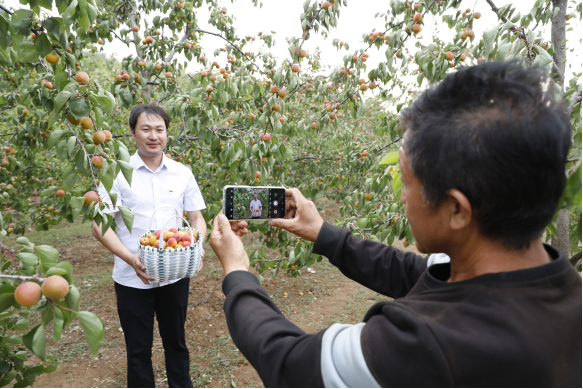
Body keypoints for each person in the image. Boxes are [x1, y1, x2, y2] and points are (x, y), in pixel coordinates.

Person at [209, 62, 582, 387]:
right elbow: (414, 273)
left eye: (407, 181)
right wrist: (323, 234)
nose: (402, 196)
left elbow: (289, 362)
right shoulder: (553, 283)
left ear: (457, 209)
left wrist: (237, 272)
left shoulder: (426, 345)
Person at [92, 105, 207, 388]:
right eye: (145, 129)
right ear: (133, 133)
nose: (153, 136)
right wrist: (131, 258)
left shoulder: (182, 173)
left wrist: (198, 246)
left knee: (176, 344)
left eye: (159, 129)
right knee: (138, 351)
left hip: (175, 275)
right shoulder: (117, 174)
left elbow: (196, 218)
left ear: (167, 133)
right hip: (132, 279)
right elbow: (99, 225)